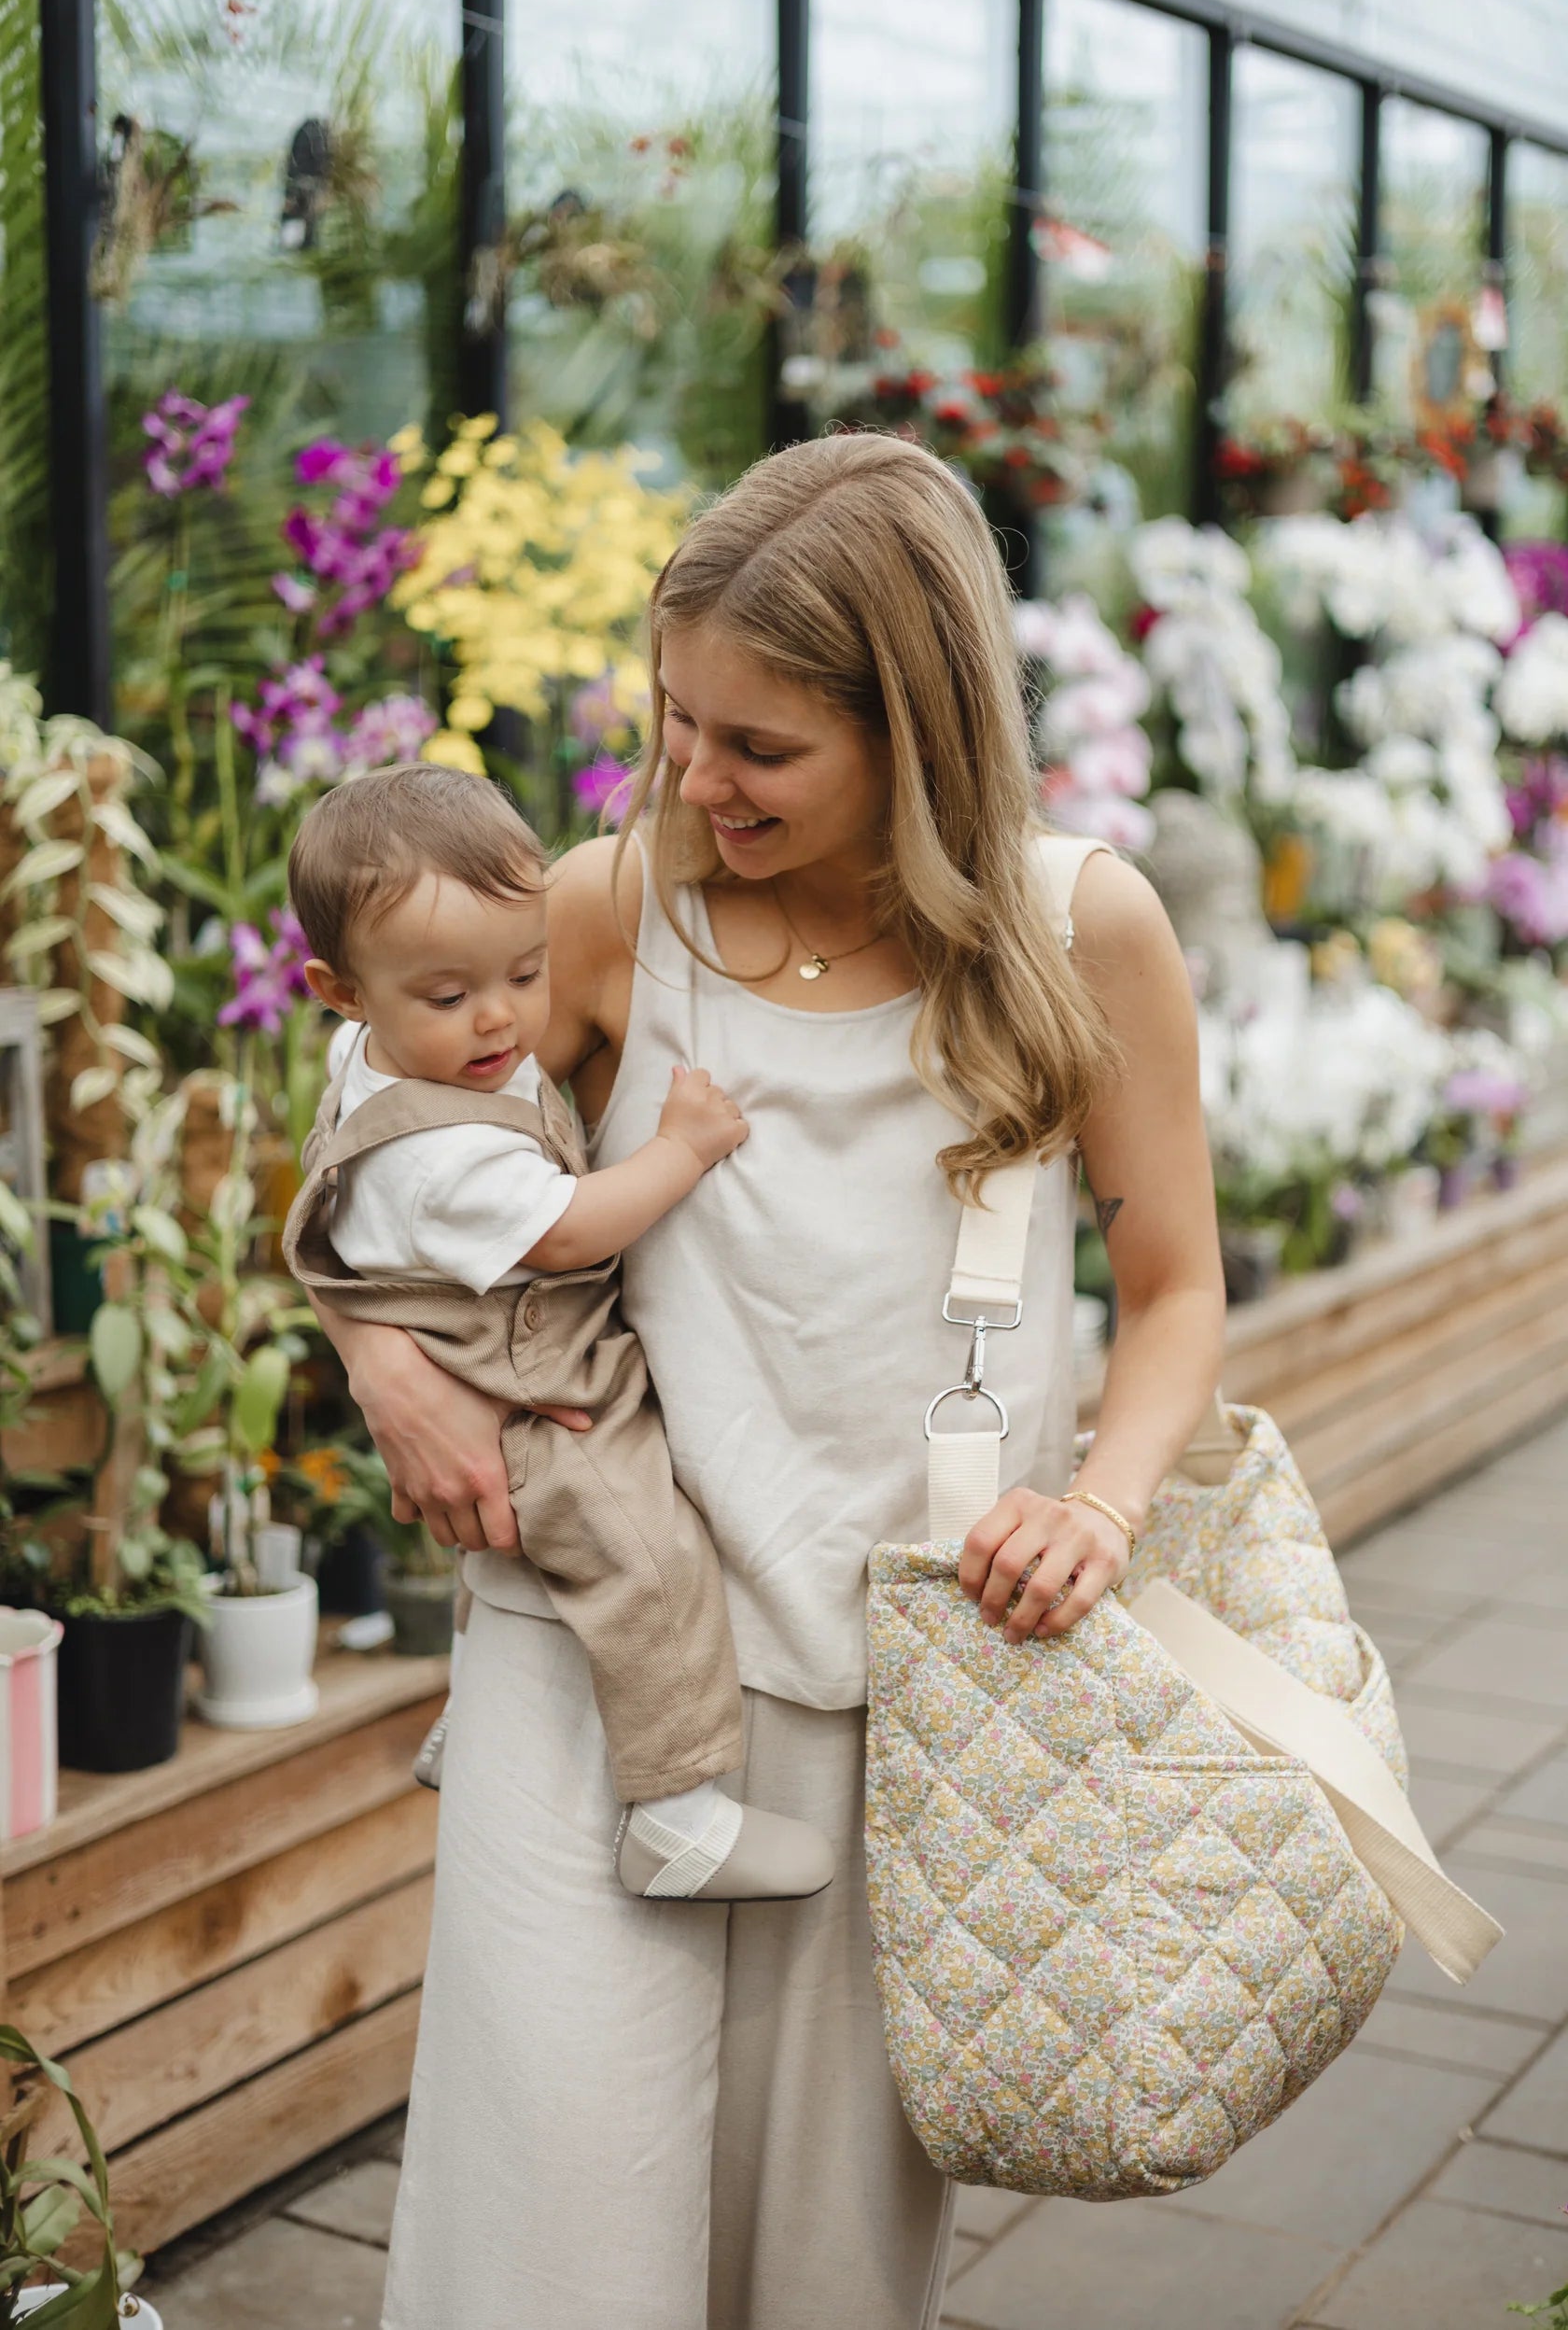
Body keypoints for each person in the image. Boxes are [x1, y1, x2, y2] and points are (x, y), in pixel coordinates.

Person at [312, 432, 1226, 2330]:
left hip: (903, 1680)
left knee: (820, 2273)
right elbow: (377, 1152)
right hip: (587, 1654)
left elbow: (1175, 1288)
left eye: (758, 747)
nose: (690, 781)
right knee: (547, 2245)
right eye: (673, 721)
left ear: (919, 725)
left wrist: (1101, 1508)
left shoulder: (1080, 932)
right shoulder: (606, 906)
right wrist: (377, 1352)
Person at [282, 765, 834, 1902]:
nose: (498, 1018)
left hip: (471, 1349)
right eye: (448, 996)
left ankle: (476, 1729)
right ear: (339, 989)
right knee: (648, 1556)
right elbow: (575, 1233)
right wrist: (680, 1146)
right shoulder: (441, 1157)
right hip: (526, 1374)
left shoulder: (374, 1054)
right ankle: (675, 1812)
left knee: (518, 1565)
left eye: (524, 972)